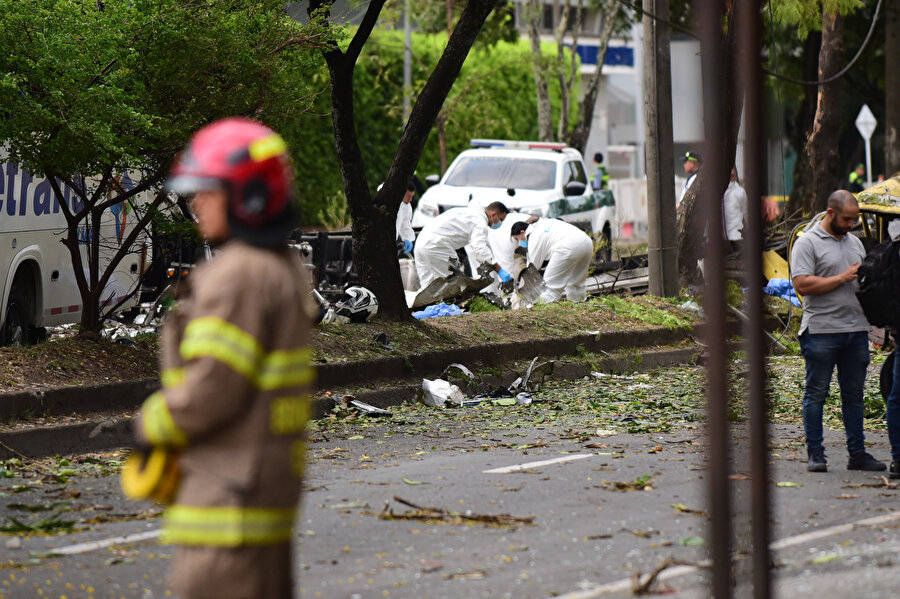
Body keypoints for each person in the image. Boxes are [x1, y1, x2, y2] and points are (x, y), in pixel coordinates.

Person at [129, 118, 314, 598]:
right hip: (259, 501)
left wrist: (152, 423)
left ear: (250, 197)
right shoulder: (279, 269)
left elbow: (212, 390)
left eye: (209, 191)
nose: (197, 204)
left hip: (226, 512)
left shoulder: (238, 277)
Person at [790, 189, 886, 473]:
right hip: (821, 331)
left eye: (854, 220)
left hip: (856, 331)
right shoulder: (807, 243)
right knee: (816, 393)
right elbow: (802, 285)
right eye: (846, 219)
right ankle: (816, 454)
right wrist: (841, 278)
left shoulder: (855, 242)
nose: (850, 225)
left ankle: (857, 454)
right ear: (830, 213)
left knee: (854, 396)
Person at [415, 201, 513, 289]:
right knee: (449, 285)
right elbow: (480, 250)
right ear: (493, 214)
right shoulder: (480, 221)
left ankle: (424, 309)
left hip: (421, 242)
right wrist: (499, 269)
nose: (500, 223)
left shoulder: (469, 213)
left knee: (427, 287)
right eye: (501, 219)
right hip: (436, 246)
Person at [510, 218, 594, 303]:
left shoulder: (533, 238)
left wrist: (521, 289)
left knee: (550, 288)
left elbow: (532, 270)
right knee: (577, 284)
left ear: (522, 232)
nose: (519, 243)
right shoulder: (543, 224)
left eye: (517, 239)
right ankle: (579, 309)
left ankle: (545, 313)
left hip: (568, 247)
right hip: (586, 242)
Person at [723, 166, 748, 252]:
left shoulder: (740, 192)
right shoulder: (717, 191)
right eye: (729, 175)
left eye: (733, 175)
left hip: (735, 237)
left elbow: (746, 214)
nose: (731, 178)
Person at [396, 179, 416, 255]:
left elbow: (405, 223)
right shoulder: (387, 202)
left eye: (412, 196)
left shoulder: (406, 206)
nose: (410, 200)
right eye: (408, 196)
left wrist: (408, 238)